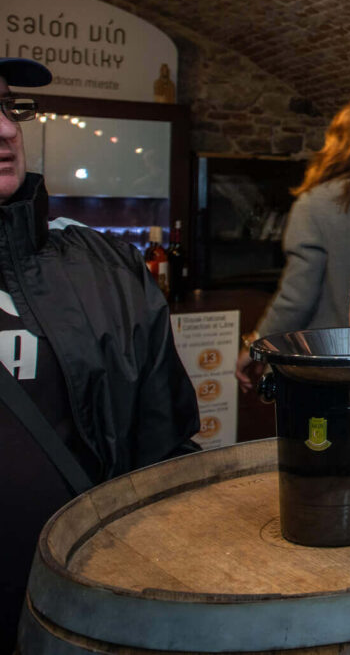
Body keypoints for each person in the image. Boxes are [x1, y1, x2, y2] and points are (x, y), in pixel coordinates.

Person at [0, 58, 199, 650]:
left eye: (9, 107)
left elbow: (165, 452)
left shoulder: (104, 269)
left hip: (81, 616)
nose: (7, 130)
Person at [235, 95, 350, 392]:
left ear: (339, 141)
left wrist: (256, 345)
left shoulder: (316, 204)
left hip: (330, 367)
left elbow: (298, 296)